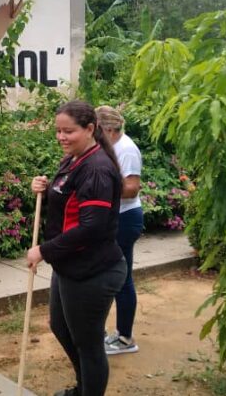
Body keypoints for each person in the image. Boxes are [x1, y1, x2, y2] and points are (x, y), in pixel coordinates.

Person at [27, 100, 127, 396]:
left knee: (89, 344)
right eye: (58, 131)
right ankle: (84, 387)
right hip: (70, 266)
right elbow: (68, 202)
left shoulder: (96, 169)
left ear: (90, 129)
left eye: (68, 131)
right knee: (61, 327)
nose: (61, 137)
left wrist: (43, 251)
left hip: (94, 271)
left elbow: (92, 227)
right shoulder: (73, 159)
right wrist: (44, 190)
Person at [96, 105, 144, 355]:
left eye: (98, 130)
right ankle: (111, 334)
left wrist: (99, 188)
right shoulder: (112, 147)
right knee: (112, 276)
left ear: (110, 129)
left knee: (121, 278)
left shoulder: (125, 149)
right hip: (116, 219)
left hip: (126, 219)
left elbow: (132, 188)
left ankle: (125, 338)